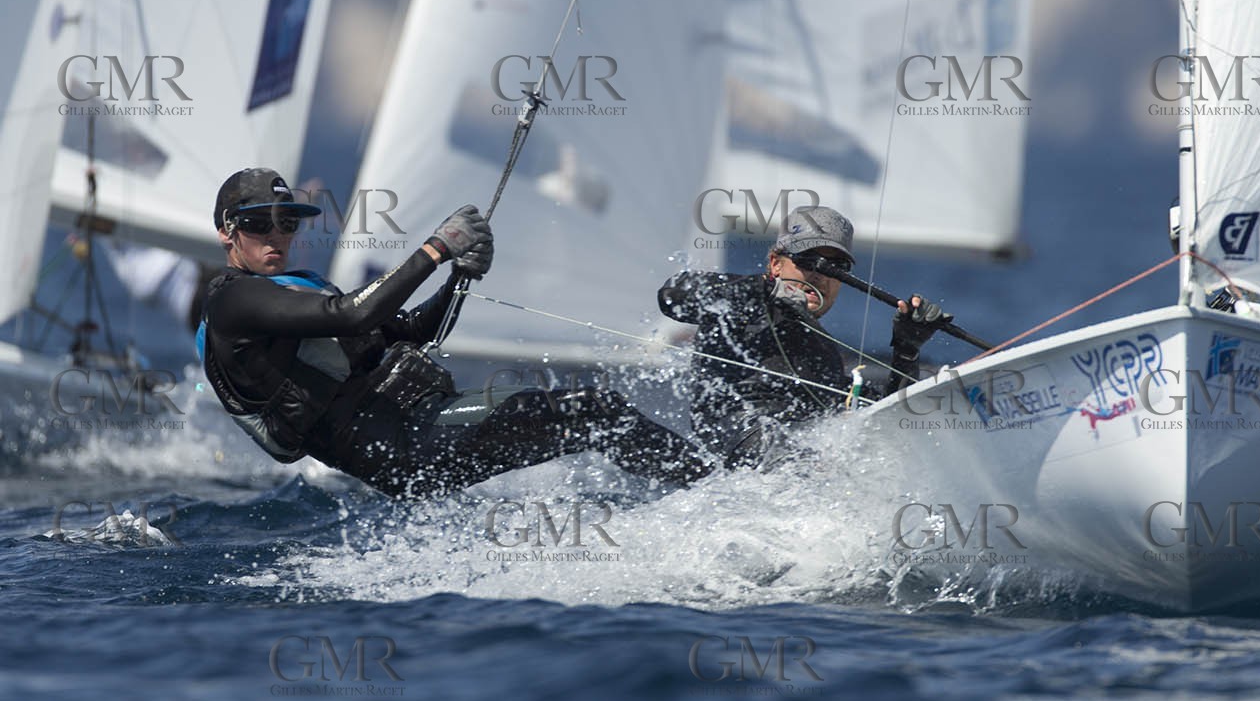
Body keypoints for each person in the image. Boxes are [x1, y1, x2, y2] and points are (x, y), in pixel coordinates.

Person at [198, 168, 710, 497]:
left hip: (421, 431)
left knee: (589, 418)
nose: (277, 235)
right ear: (227, 230)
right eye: (259, 223)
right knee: (600, 412)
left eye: (287, 222)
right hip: (406, 447)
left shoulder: (294, 288)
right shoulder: (233, 299)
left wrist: (459, 275)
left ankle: (704, 496)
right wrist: (436, 249)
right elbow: (351, 315)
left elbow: (413, 332)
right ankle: (715, 493)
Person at [658, 205, 952, 467]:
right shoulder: (735, 306)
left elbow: (884, 423)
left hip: (786, 471)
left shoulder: (822, 351)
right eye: (808, 261)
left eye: (836, 268)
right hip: (732, 457)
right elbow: (673, 296)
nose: (820, 276)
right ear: (775, 264)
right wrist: (768, 290)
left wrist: (907, 348)